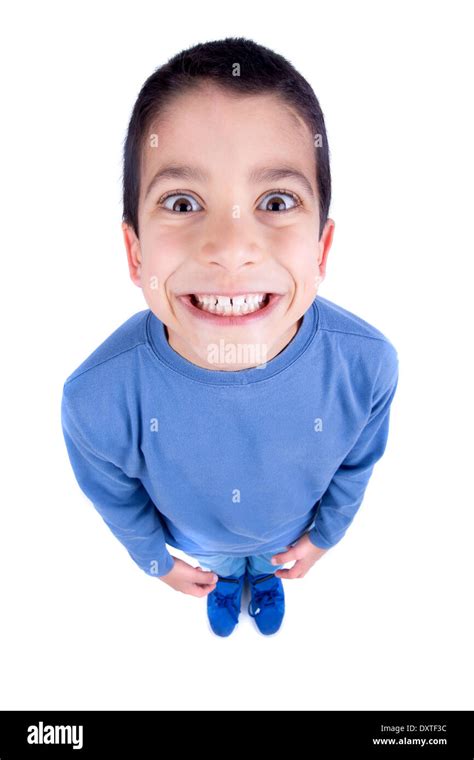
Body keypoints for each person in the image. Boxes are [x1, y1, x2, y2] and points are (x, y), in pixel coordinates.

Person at [61, 37, 399, 638]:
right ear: (135, 252)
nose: (232, 248)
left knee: (263, 564)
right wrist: (158, 562)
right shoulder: (96, 400)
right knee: (222, 565)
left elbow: (356, 465)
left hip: (285, 536)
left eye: (275, 200)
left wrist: (323, 537)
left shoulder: (367, 368)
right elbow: (114, 495)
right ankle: (226, 581)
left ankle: (262, 581)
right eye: (184, 202)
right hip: (198, 542)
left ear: (321, 250)